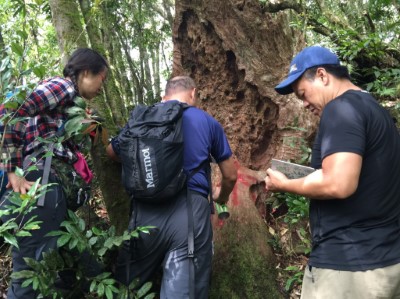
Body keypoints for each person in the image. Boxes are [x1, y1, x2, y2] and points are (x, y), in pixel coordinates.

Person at [264, 45, 400, 298]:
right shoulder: (376, 111)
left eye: (303, 93)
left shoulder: (340, 109)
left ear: (323, 76)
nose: (304, 104)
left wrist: (284, 184)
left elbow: (339, 183)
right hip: (385, 261)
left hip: (348, 268)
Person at [106, 75, 237, 298]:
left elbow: (112, 152)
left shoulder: (143, 118)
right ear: (193, 93)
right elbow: (231, 175)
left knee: (128, 289)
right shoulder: (206, 121)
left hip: (143, 214)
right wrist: (220, 196)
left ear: (163, 97)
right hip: (189, 215)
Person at [0, 48, 108, 299]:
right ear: (84, 72)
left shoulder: (68, 101)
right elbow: (11, 112)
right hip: (42, 185)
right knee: (29, 276)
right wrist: (12, 169)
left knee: (78, 268)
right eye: (102, 79)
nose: (102, 87)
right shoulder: (62, 86)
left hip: (53, 192)